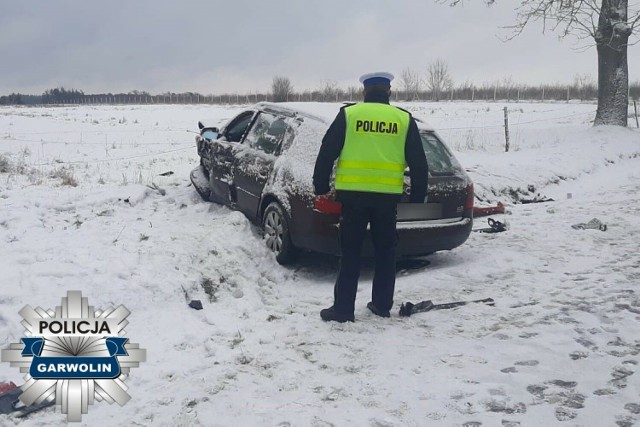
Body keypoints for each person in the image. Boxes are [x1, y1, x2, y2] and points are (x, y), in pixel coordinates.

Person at [313, 72, 429, 323]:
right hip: (387, 199)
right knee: (386, 252)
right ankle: (382, 305)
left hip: (353, 198)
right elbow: (419, 162)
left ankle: (343, 310)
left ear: (365, 92)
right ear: (388, 92)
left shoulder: (350, 115)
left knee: (351, 252)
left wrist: (320, 185)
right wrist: (418, 197)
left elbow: (327, 151)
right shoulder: (403, 119)